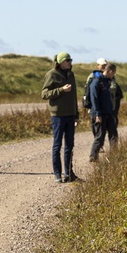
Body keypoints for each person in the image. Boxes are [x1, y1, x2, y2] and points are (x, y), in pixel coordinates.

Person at [40, 52, 79, 183]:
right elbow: (44, 94)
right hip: (58, 116)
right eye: (67, 60)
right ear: (60, 62)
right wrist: (61, 90)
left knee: (70, 145)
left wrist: (76, 115)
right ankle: (57, 174)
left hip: (70, 115)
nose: (70, 62)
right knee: (57, 145)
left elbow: (74, 96)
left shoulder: (71, 75)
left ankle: (69, 173)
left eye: (70, 60)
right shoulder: (52, 74)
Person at [88, 63, 118, 163]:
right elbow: (94, 99)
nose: (114, 75)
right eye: (114, 73)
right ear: (110, 71)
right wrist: (97, 114)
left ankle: (115, 155)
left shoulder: (106, 81)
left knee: (113, 134)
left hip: (108, 112)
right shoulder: (96, 82)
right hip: (99, 114)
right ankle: (93, 156)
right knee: (100, 136)